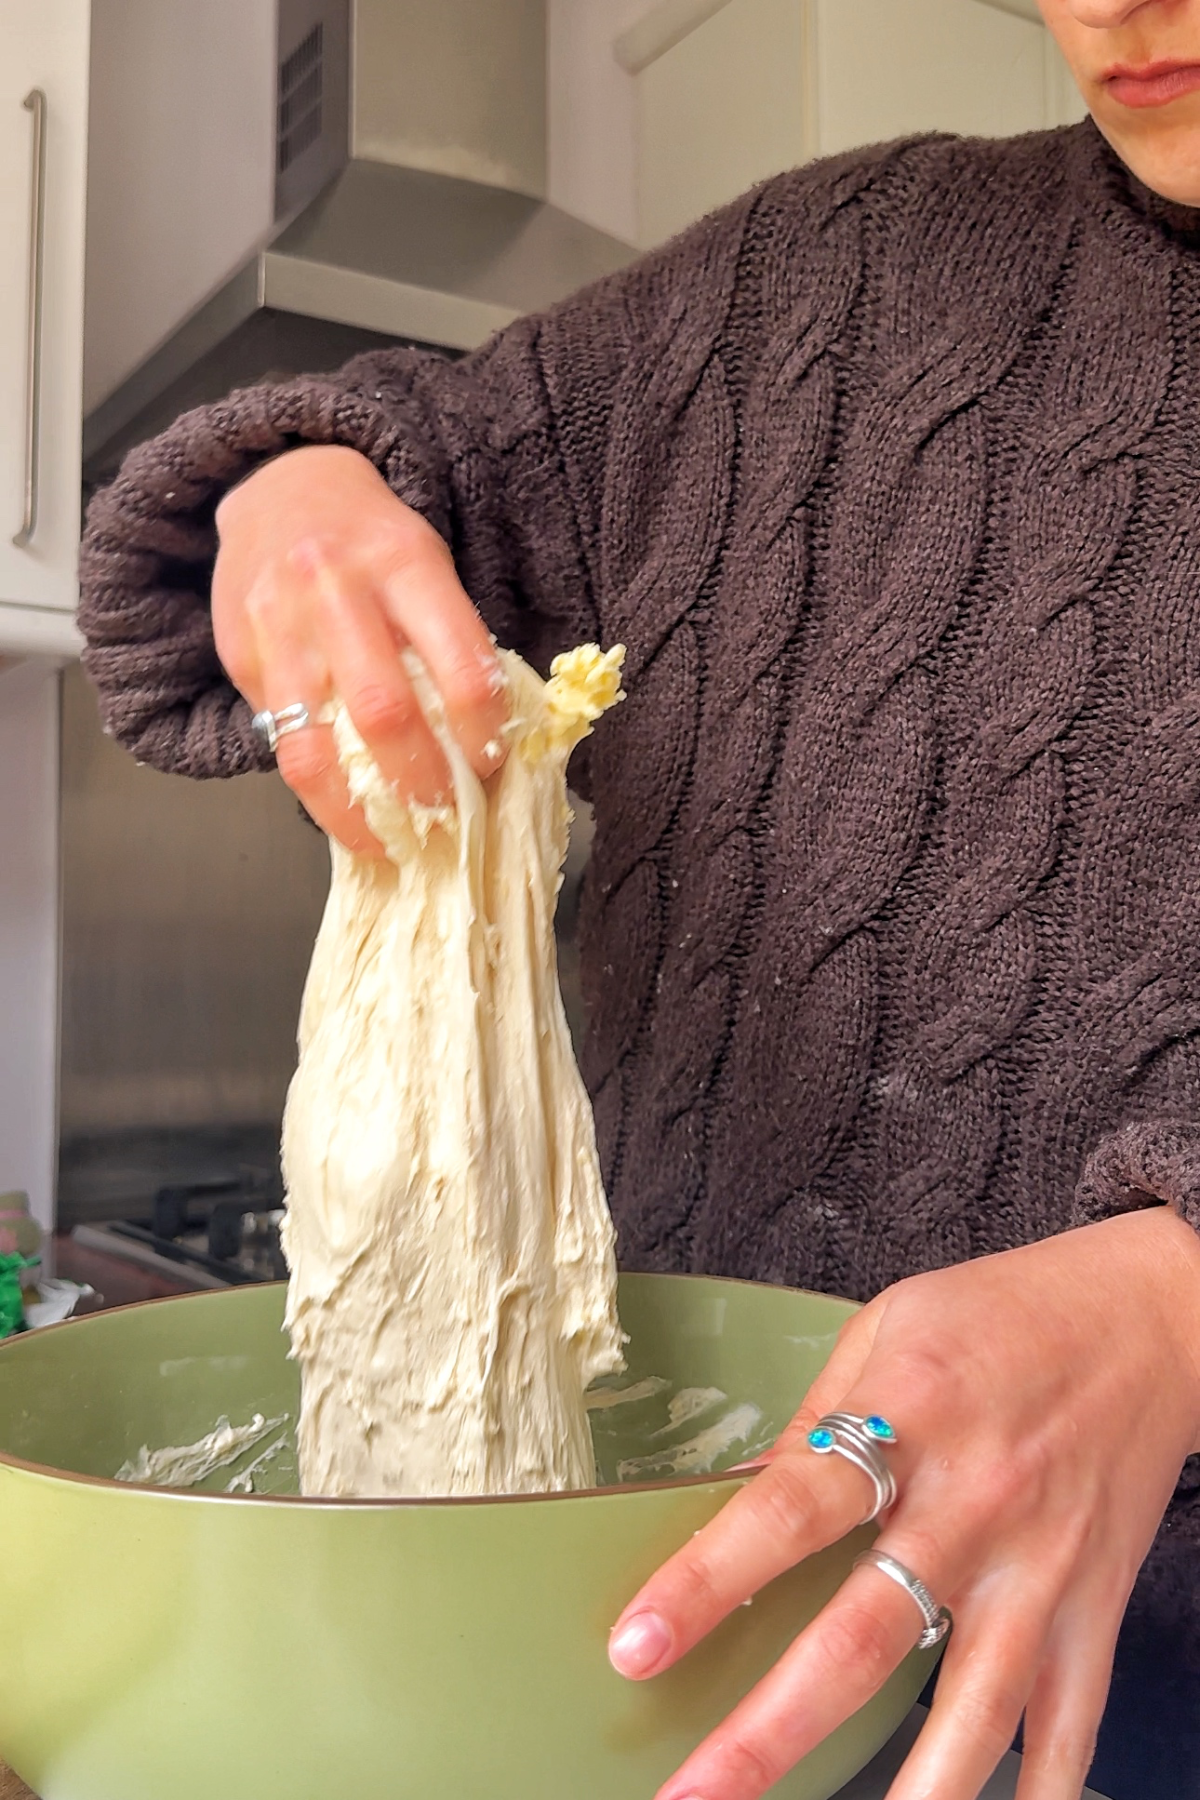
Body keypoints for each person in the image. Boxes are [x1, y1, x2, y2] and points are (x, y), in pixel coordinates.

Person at [79, 1, 1200, 1794]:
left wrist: (1170, 1303)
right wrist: (294, 496)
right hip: (650, 1617)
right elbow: (408, 461)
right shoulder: (821, 292)